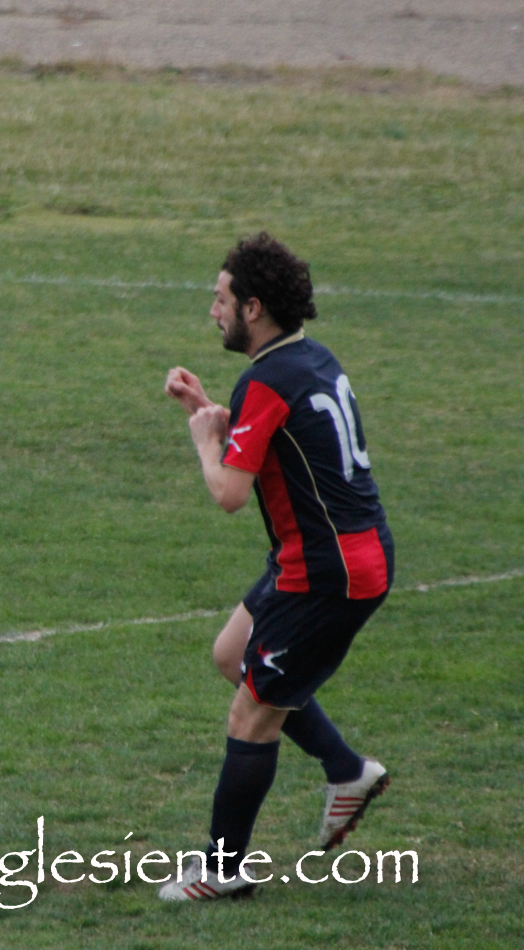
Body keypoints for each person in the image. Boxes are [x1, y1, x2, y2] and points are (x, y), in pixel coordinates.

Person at [159, 233, 394, 901]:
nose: (213, 310)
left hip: (326, 573)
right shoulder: (308, 359)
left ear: (253, 308)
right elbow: (276, 436)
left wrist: (203, 441)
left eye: (221, 298)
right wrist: (212, 413)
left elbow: (230, 492)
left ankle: (222, 870)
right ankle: (345, 769)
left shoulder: (264, 380)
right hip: (333, 553)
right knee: (232, 653)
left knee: (250, 717)